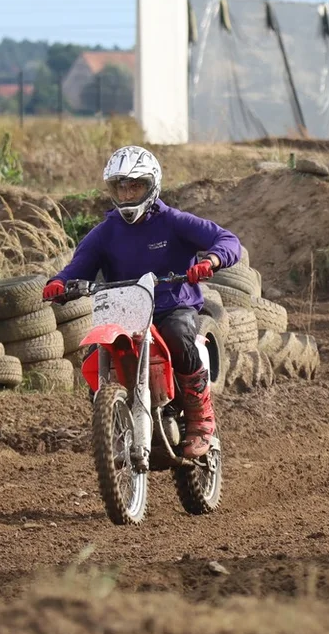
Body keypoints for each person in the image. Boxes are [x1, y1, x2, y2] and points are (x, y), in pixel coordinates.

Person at [42, 145, 242, 458]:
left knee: (178, 336)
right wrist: (58, 283)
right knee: (96, 354)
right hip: (124, 310)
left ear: (151, 186)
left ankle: (201, 421)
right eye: (120, 187)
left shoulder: (174, 222)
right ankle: (111, 420)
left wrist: (212, 261)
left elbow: (228, 240)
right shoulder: (105, 232)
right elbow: (76, 267)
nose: (127, 194)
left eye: (135, 186)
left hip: (172, 306)